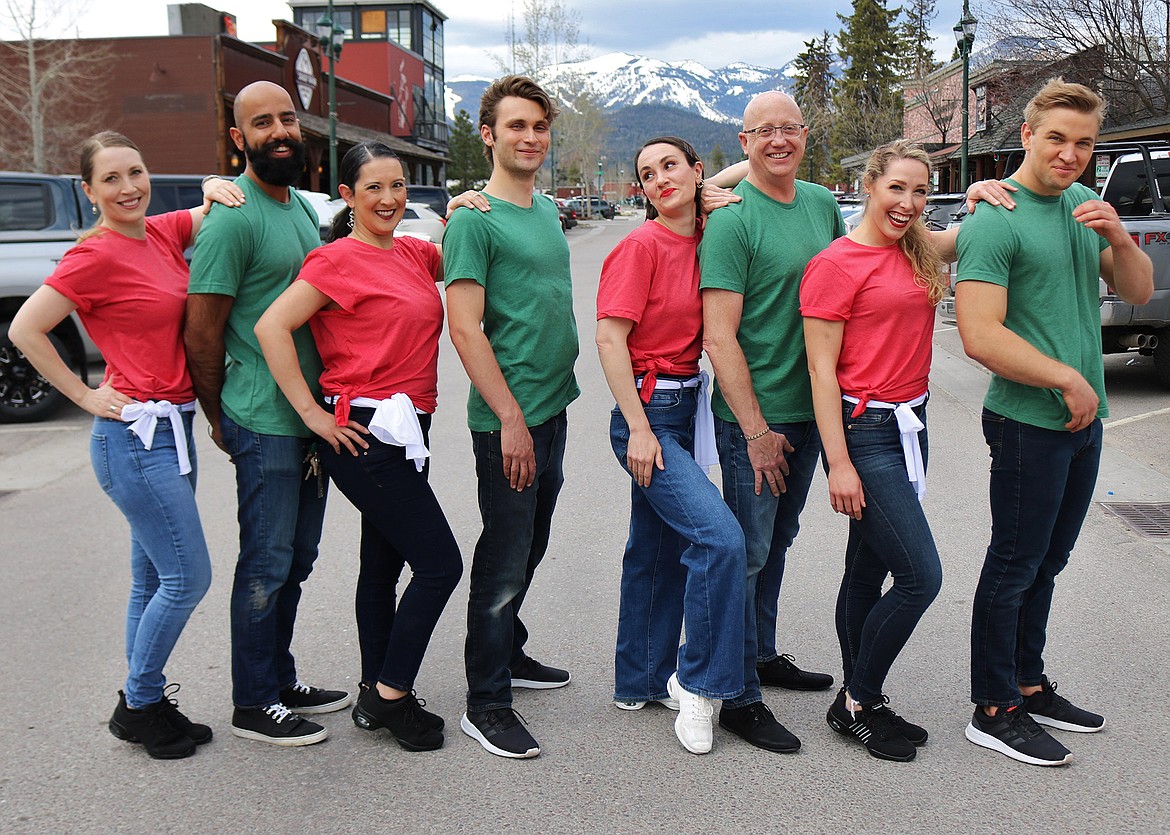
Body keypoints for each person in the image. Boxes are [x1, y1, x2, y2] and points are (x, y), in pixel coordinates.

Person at [9, 131, 243, 759]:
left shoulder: (161, 233)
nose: (128, 187)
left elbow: (215, 204)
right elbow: (25, 328)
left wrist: (212, 185)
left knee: (150, 579)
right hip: (131, 440)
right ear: (88, 191)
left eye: (135, 172)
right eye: (110, 179)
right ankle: (138, 702)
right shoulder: (94, 257)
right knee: (187, 577)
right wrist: (85, 396)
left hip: (174, 431)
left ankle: (148, 699)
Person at [956, 78, 1153, 767]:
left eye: (1084, 143)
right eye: (1058, 139)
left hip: (1081, 423)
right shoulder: (994, 218)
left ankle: (1028, 682)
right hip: (1026, 422)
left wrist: (1122, 239)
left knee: (1049, 560)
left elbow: (1138, 291)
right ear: (1029, 136)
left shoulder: (1080, 206)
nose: (1070, 154)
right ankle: (992, 705)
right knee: (1013, 564)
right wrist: (1068, 377)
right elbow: (979, 335)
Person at [255, 141, 462, 752]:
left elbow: (462, 258)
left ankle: (375, 690)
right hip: (365, 433)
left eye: (398, 186)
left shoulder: (412, 253)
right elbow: (272, 326)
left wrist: (475, 206)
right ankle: (392, 693)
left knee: (382, 567)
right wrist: (313, 417)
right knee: (440, 565)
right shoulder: (334, 261)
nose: (389, 199)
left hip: (411, 428)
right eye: (373, 187)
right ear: (346, 196)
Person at [185, 80, 350, 747]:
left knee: (297, 558)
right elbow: (202, 332)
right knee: (265, 561)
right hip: (263, 420)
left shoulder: (294, 209)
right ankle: (253, 701)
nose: (280, 130)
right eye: (262, 123)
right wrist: (219, 416)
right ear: (238, 139)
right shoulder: (232, 217)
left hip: (308, 421)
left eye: (287, 118)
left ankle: (278, 677)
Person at [698, 91, 840, 753]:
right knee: (746, 553)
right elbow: (719, 338)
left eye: (790, 128)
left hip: (811, 410)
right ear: (745, 140)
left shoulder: (820, 203)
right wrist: (754, 431)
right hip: (754, 418)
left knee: (776, 543)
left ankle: (760, 652)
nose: (779, 140)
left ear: (804, 135)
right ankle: (734, 693)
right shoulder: (731, 219)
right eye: (765, 131)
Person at [801, 141, 952, 762]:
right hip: (865, 434)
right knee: (920, 576)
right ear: (869, 185)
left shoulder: (913, 247)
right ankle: (856, 699)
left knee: (867, 568)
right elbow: (820, 369)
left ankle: (865, 697)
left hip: (911, 424)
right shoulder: (837, 264)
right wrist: (838, 462)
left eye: (921, 191)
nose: (910, 203)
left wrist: (982, 194)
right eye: (898, 189)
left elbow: (963, 233)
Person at [596, 137, 747, 755]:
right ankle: (699, 683)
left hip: (689, 406)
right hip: (648, 411)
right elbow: (609, 340)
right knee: (720, 537)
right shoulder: (641, 245)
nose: (660, 180)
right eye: (647, 174)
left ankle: (639, 679)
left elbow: (753, 165)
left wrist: (716, 181)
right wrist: (636, 427)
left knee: (653, 547)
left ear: (696, 171)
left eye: (671, 167)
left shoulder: (710, 230)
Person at [443, 75, 579, 759]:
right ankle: (485, 699)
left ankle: (510, 650)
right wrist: (509, 419)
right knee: (502, 555)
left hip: (551, 408)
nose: (530, 137)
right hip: (510, 417)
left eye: (539, 126)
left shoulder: (548, 208)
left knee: (529, 545)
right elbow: (465, 328)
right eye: (515, 126)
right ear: (489, 134)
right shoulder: (473, 218)